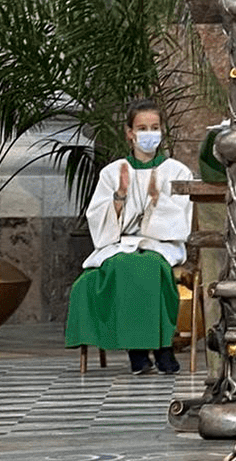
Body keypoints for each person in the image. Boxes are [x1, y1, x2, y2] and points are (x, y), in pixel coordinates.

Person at [64, 98, 192, 376]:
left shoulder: (177, 171)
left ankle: (158, 348)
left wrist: (157, 202)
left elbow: (181, 219)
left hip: (161, 244)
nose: (149, 134)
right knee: (122, 265)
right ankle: (141, 352)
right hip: (120, 244)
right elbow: (99, 219)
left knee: (148, 266)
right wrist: (120, 196)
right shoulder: (113, 172)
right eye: (142, 128)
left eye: (155, 127)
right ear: (129, 132)